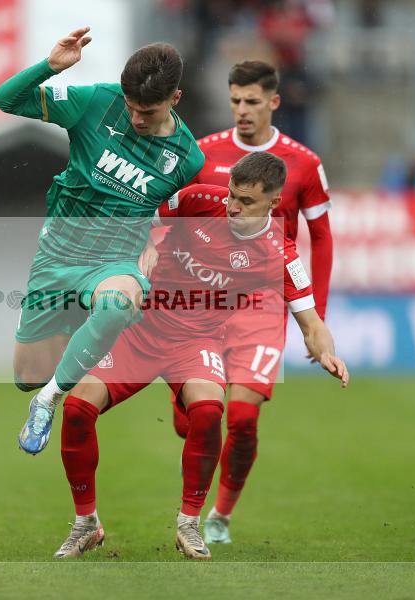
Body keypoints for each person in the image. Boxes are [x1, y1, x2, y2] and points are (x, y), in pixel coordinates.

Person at [54, 152, 348, 560]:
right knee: (75, 409)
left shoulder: (280, 254)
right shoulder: (197, 201)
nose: (232, 206)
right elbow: (138, 217)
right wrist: (145, 245)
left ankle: (189, 523)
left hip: (196, 341)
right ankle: (86, 523)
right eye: (232, 195)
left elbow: (311, 323)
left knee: (210, 412)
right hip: (141, 330)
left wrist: (328, 354)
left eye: (245, 201)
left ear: (274, 202)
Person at [0, 28, 205, 454]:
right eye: (130, 108)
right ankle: (53, 364)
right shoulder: (94, 103)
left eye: (147, 110)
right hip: (57, 255)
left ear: (175, 99)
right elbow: (6, 100)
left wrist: (154, 239)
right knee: (26, 375)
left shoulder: (188, 159)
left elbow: (167, 212)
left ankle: (48, 399)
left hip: (113, 262)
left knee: (116, 305)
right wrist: (50, 67)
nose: (136, 119)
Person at [171, 61, 334, 544]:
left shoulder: (303, 163)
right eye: (235, 100)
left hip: (260, 305)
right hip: (201, 301)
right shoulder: (202, 154)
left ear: (273, 102)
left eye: (252, 102)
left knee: (241, 416)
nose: (242, 110)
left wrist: (314, 316)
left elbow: (320, 238)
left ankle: (220, 513)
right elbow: (173, 217)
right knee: (193, 422)